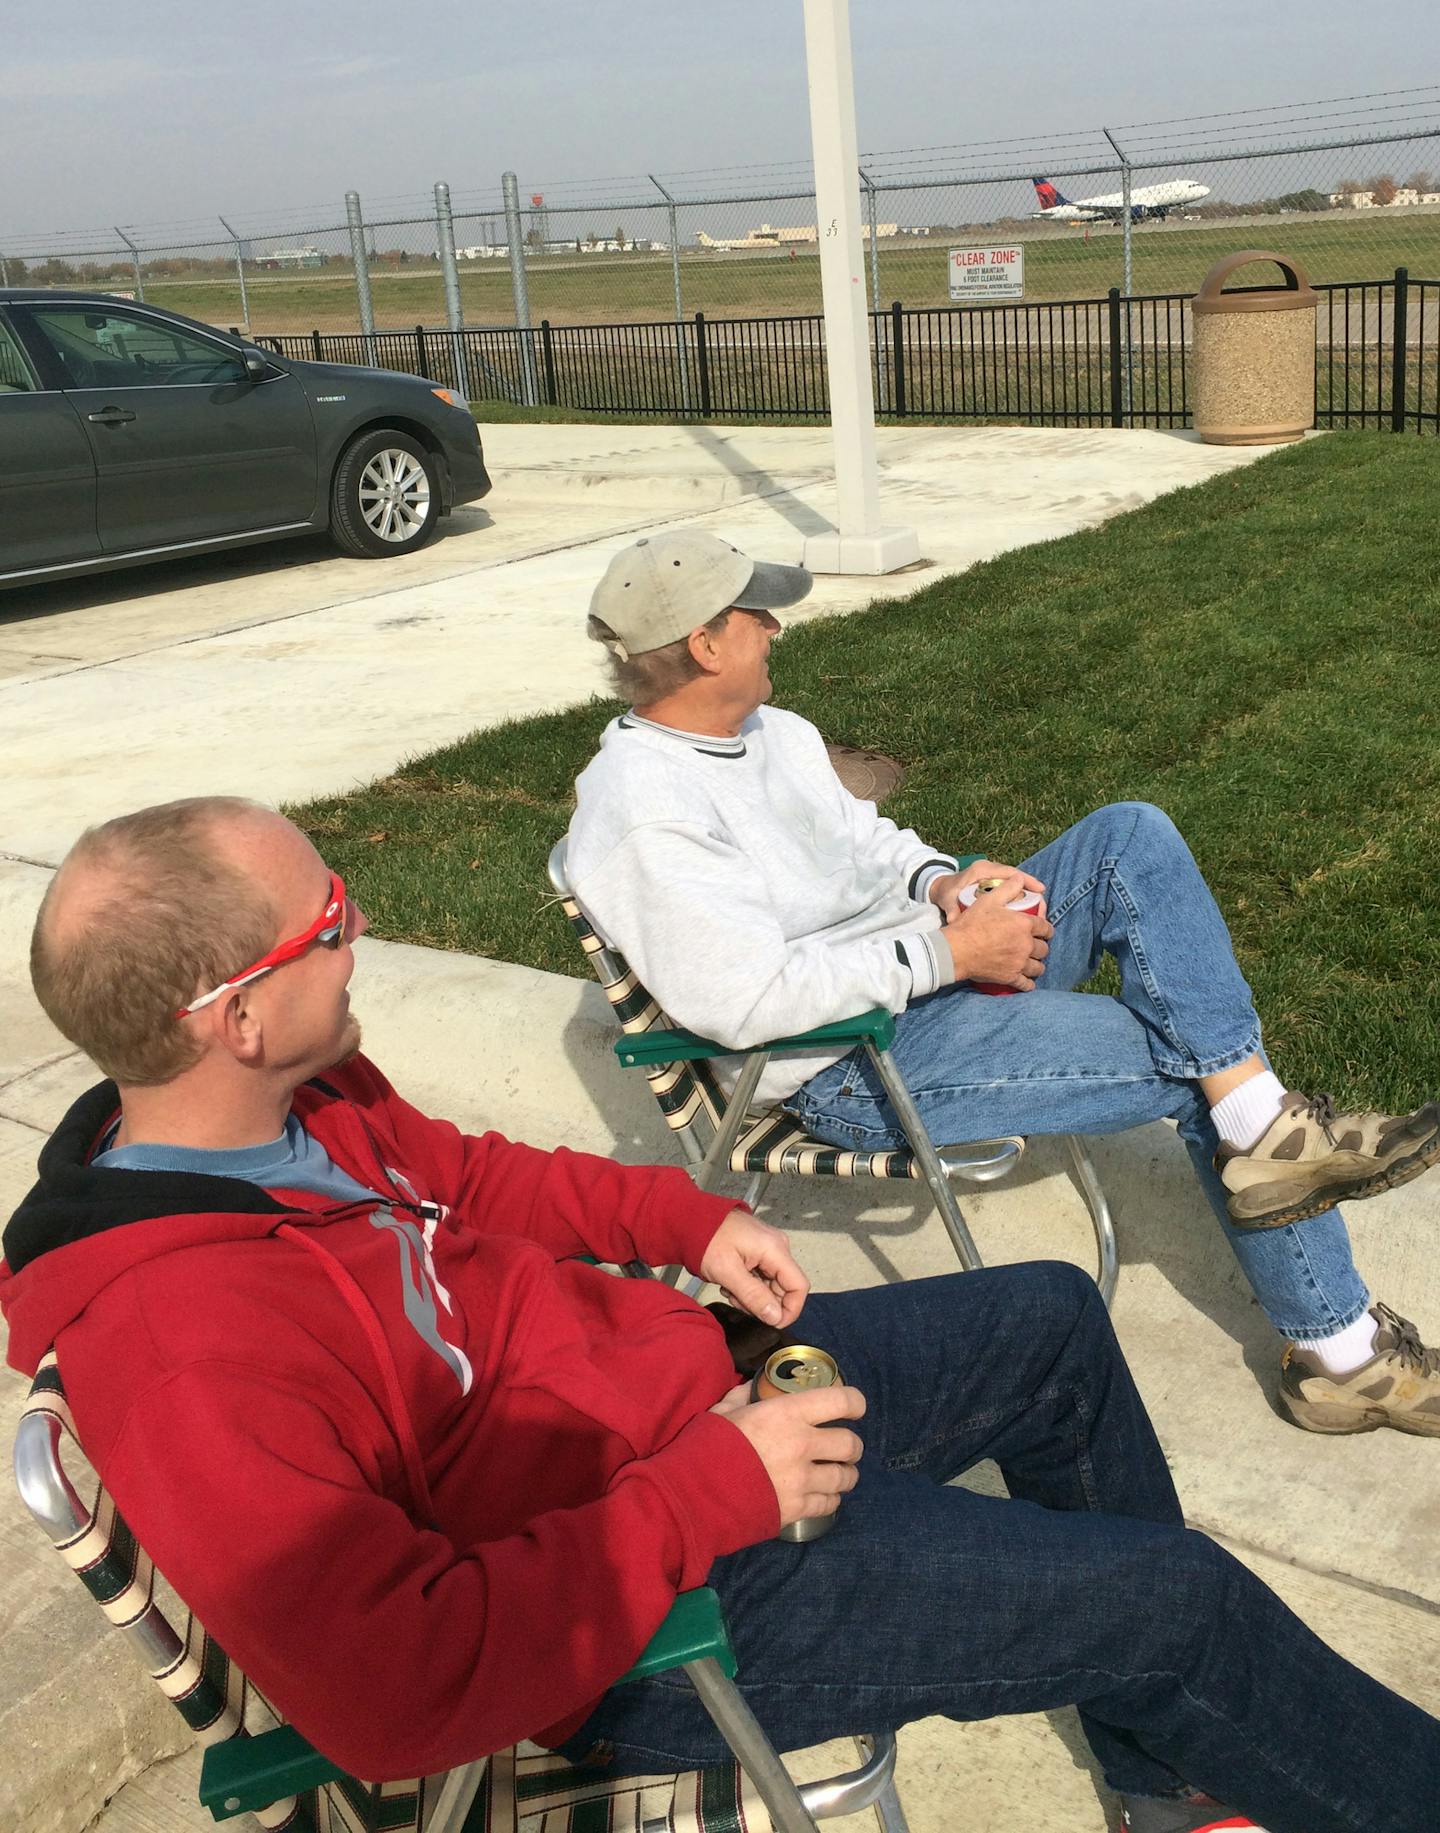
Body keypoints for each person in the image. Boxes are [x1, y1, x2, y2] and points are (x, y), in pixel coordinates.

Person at [3, 799, 1439, 1833]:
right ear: (235, 1015)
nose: (360, 924)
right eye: (330, 920)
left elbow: (481, 1175)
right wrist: (711, 1491)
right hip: (637, 1613)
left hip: (690, 1414)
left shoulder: (306, 1108)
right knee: (1176, 1605)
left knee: (1054, 1320)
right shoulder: (184, 1344)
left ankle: (1166, 1773)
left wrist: (687, 1221)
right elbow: (395, 1688)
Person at [567, 530, 1440, 1435]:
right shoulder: (641, 811)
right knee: (1201, 1068)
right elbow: (744, 1000)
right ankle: (1341, 1346)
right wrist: (952, 955)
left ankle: (1267, 1135)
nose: (777, 626)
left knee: (1129, 838)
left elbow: (869, 847)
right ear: (707, 644)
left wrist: (944, 883)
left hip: (921, 971)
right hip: (852, 1063)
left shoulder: (771, 734)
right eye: (758, 615)